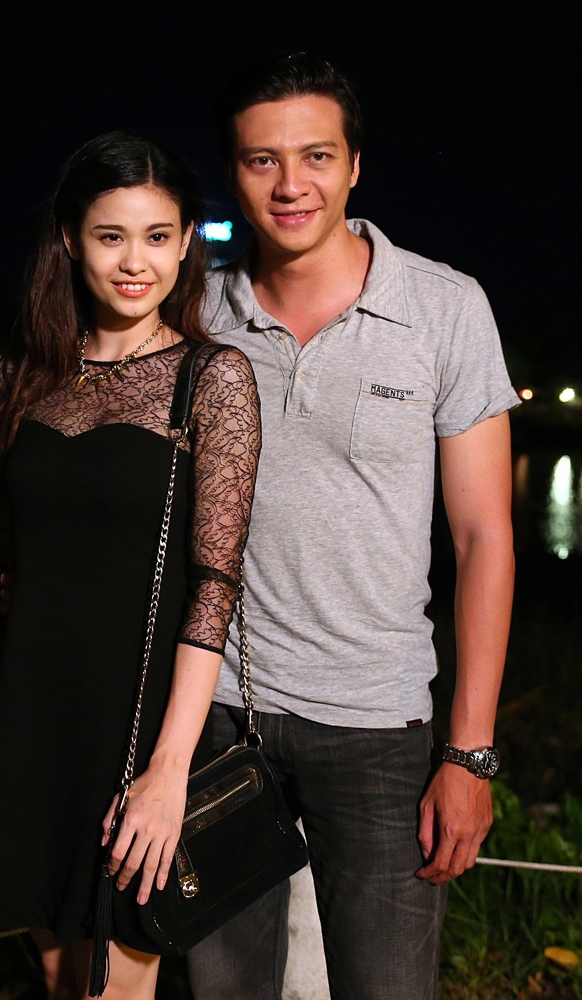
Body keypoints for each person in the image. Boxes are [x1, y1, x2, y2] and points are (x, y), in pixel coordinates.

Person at [186, 52, 518, 1000]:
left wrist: (468, 754)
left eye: (316, 156)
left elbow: (483, 540)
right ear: (233, 172)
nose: (290, 184)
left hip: (379, 729)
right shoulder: (195, 310)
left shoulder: (443, 308)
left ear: (355, 165)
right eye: (262, 160)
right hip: (219, 715)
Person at [0, 130, 261, 1000]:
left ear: (186, 241)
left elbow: (215, 587)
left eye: (157, 237)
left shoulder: (212, 378)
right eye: (110, 236)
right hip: (28, 722)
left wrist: (169, 771)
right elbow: (2, 580)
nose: (135, 262)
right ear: (69, 240)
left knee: (115, 986)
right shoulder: (23, 378)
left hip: (133, 727)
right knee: (56, 980)